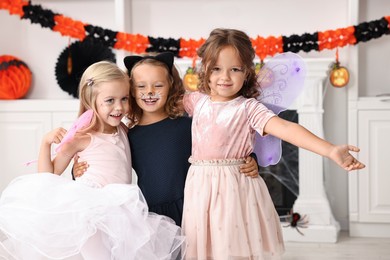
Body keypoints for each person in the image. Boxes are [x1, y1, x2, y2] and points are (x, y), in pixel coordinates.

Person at [180, 28, 366, 260]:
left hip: (234, 188)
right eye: (216, 68)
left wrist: (330, 150)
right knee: (202, 247)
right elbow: (160, 104)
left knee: (232, 248)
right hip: (200, 187)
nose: (225, 77)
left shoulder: (249, 108)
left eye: (235, 69)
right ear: (205, 70)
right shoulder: (195, 101)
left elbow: (288, 129)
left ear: (247, 72)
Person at [0, 61, 185, 260]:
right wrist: (45, 143)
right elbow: (49, 176)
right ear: (91, 100)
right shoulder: (81, 138)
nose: (119, 107)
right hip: (92, 212)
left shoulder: (123, 130)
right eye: (110, 100)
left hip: (121, 210)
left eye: (124, 99)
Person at [73, 53, 260, 227]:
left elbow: (222, 145)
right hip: (151, 215)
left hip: (194, 207)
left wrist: (251, 158)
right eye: (141, 86)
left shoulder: (188, 125)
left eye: (158, 85)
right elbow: (108, 163)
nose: (150, 92)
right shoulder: (128, 135)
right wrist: (79, 170)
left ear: (170, 85)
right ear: (131, 90)